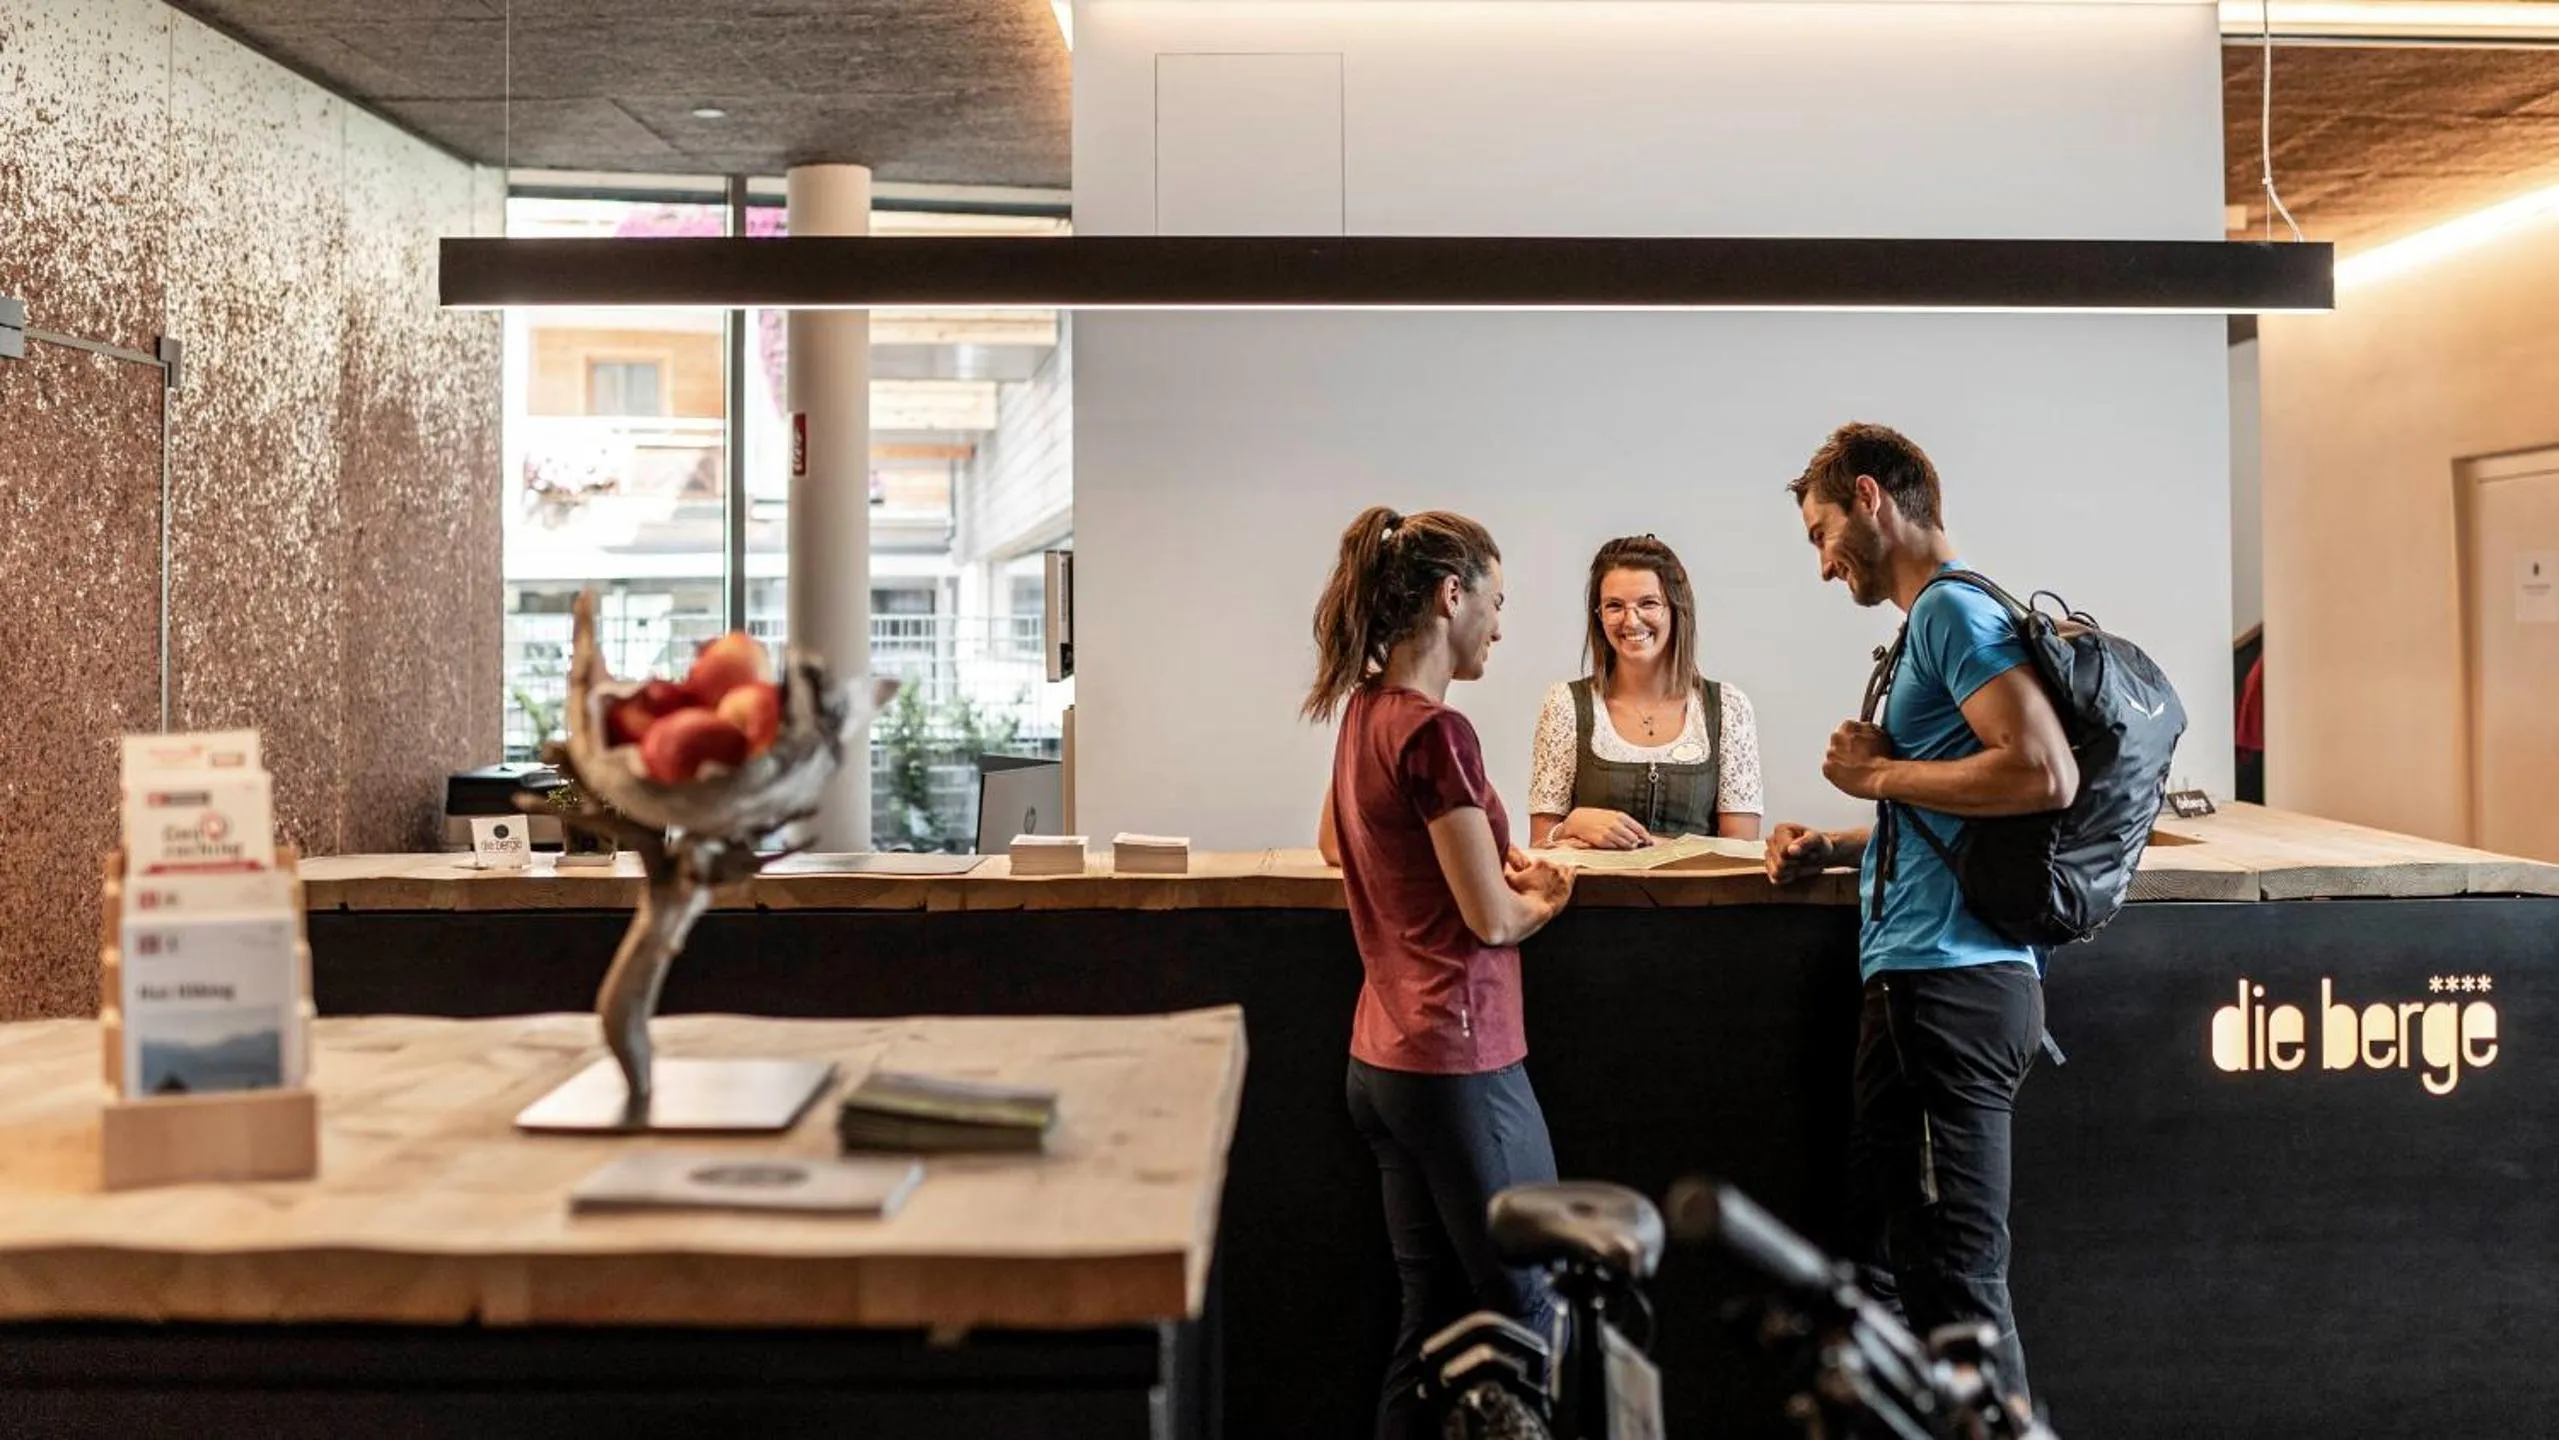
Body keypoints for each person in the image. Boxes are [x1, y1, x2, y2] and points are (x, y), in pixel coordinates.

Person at [1762, 423, 2078, 1409]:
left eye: (1821, 533)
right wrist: (1845, 836)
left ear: (1868, 498)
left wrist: (1875, 772)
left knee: (1958, 1291)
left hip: (1951, 991)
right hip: (1918, 989)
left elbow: (2044, 771)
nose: (1822, 566)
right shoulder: (1932, 622)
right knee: (1897, 1279)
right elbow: (1954, 804)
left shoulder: (1948, 612)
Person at [1306, 505, 1577, 1440]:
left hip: (1381, 1064)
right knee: (1529, 1312)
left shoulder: (1362, 716)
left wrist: (1458, 873)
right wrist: (1547, 891)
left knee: (1431, 1323)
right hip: (1460, 1063)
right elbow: (1491, 918)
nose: (1499, 627)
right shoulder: (1434, 735)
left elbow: (1339, 847)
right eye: (1494, 604)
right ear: (1449, 595)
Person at [1528, 534, 1764, 849]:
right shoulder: (1565, 705)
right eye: (1614, 606)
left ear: (1677, 609)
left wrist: (1650, 846)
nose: (1630, 620)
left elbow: (1742, 852)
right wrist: (1571, 825)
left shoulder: (1728, 708)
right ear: (1599, 616)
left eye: (1648, 603)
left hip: (1699, 899)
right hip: (1593, 898)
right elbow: (1540, 847)